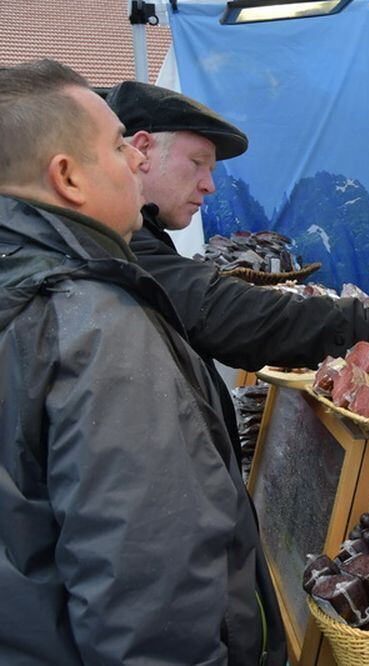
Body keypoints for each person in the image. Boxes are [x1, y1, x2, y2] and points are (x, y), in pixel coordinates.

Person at [0, 60, 284, 664]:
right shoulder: (96, 329)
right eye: (117, 145)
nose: (135, 159)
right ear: (68, 177)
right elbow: (151, 601)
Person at [105, 80, 369, 460]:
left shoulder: (128, 238)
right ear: (142, 149)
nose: (209, 185)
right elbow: (226, 314)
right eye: (198, 163)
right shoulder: (115, 245)